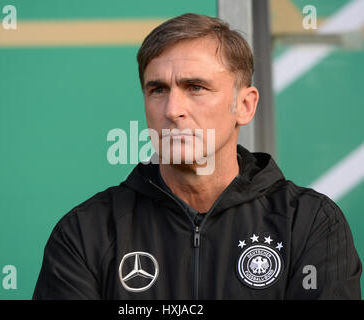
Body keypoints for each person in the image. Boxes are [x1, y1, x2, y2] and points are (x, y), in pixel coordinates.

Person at [32, 13, 362, 299]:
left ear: (244, 106)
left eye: (196, 87)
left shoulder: (309, 224)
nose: (173, 110)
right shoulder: (87, 232)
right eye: (157, 89)